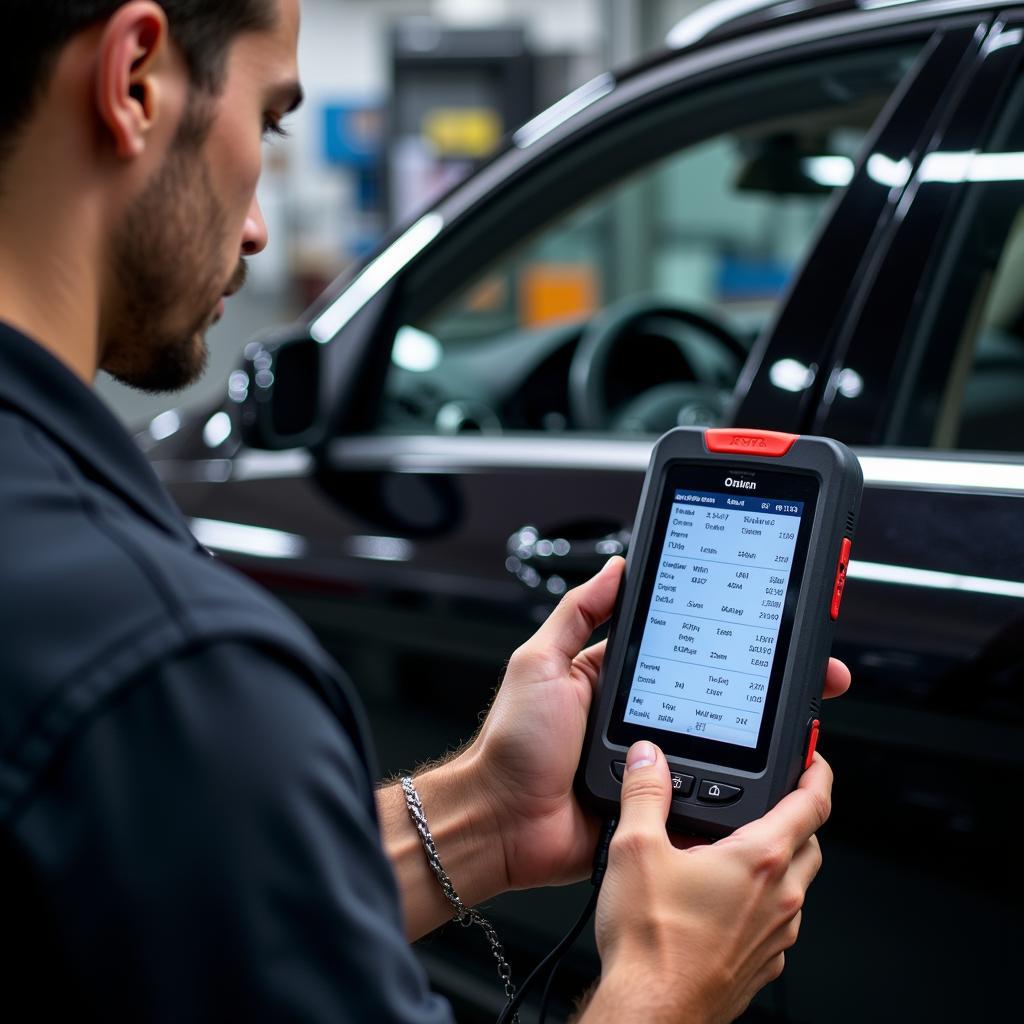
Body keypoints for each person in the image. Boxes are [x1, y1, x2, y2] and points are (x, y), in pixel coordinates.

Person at [0, 2, 851, 1021]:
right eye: (268, 122)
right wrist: (667, 984)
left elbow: (149, 910)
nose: (261, 227)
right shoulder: (175, 667)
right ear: (135, 79)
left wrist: (483, 814)